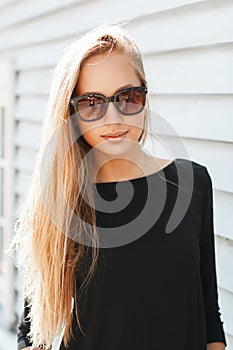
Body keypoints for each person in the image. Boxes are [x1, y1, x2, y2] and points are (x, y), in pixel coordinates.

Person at [12, 24, 227, 350]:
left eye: (128, 97)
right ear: (71, 112)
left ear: (145, 95)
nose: (112, 117)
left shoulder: (193, 183)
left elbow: (210, 317)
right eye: (91, 102)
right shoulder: (62, 197)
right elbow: (33, 334)